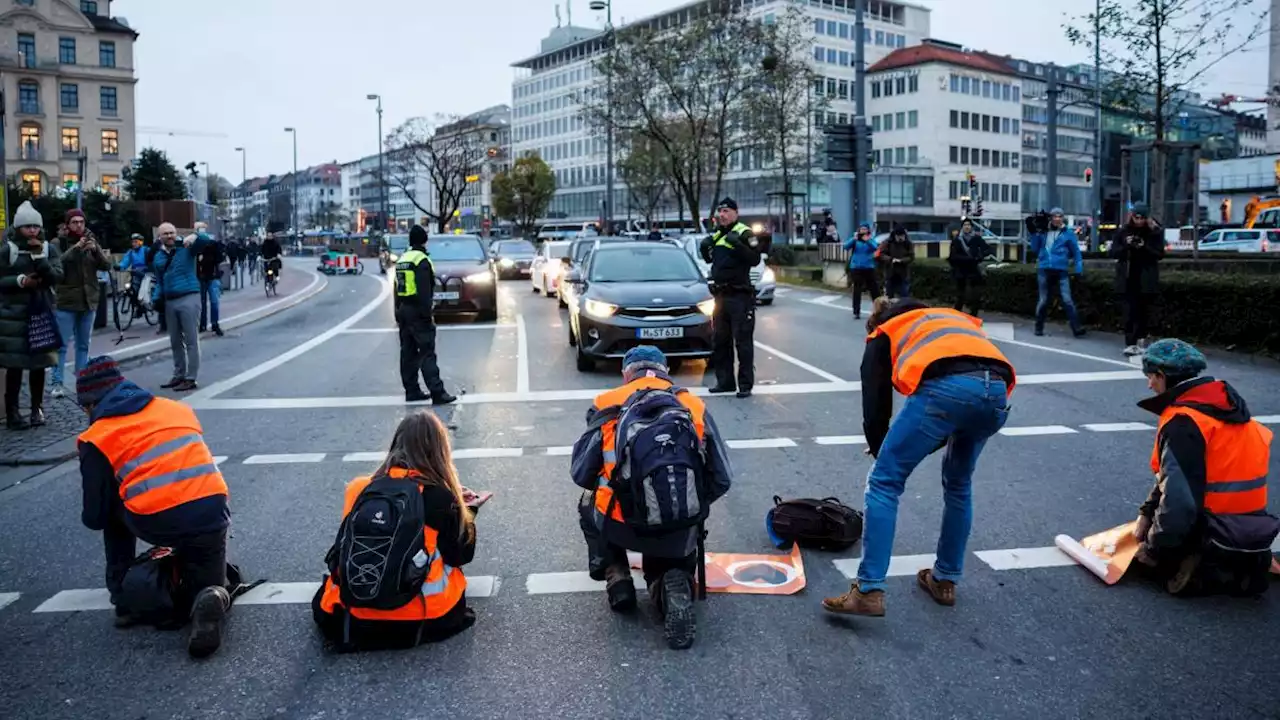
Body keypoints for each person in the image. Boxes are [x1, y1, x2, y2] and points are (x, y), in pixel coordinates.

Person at [823, 297, 1014, 617]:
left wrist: (880, 447)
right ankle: (945, 580)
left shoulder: (885, 331)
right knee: (959, 484)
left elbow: (876, 406)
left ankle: (868, 590)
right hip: (996, 389)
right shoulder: (947, 320)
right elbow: (951, 414)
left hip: (947, 391)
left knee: (884, 482)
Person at [571, 346, 733, 649]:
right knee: (671, 553)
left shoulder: (606, 404)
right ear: (665, 371)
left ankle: (616, 575)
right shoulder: (692, 405)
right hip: (679, 524)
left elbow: (581, 473)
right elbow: (722, 477)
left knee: (586, 502)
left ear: (625, 374)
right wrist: (694, 506)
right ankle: (671, 583)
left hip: (622, 523)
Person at [75, 355, 233, 657]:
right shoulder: (175, 409)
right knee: (206, 585)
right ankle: (210, 595)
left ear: (93, 404)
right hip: (213, 512)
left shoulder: (96, 437)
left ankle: (123, 596)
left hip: (159, 518)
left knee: (113, 511)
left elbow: (95, 517)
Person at [313, 411, 487, 651]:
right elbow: (460, 555)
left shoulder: (360, 489)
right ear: (439, 451)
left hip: (352, 617)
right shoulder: (439, 496)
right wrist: (467, 513)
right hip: (426, 617)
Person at [1131, 339, 1278, 596]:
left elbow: (1180, 501)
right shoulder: (1227, 411)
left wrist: (1153, 550)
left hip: (1211, 533)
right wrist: (1147, 512)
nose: (1149, 384)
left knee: (1150, 552)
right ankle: (1249, 564)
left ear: (1162, 376)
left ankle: (1199, 565)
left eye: (1150, 377)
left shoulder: (1183, 423)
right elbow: (1180, 478)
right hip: (1254, 530)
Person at [0, 201, 63, 429]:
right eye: (27, 227)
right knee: (14, 366)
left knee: (39, 364)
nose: (32, 231)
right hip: (13, 315)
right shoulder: (8, 250)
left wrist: (40, 259)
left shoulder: (48, 249)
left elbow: (56, 276)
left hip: (40, 312)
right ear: (18, 228)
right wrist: (20, 281)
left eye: (35, 227)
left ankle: (37, 409)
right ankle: (13, 413)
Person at [699, 197, 761, 398]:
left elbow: (755, 258)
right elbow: (711, 260)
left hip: (740, 296)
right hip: (721, 296)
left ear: (736, 213)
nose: (722, 215)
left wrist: (739, 245)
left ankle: (745, 385)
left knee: (742, 341)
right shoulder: (719, 235)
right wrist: (704, 248)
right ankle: (725, 382)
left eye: (726, 211)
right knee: (720, 340)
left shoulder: (745, 233)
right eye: (720, 212)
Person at [394, 225, 456, 405]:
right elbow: (424, 291)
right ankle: (437, 392)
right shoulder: (421, 260)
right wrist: (427, 314)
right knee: (427, 351)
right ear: (424, 240)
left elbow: (398, 288)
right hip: (417, 311)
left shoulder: (403, 258)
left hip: (404, 309)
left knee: (408, 352)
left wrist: (398, 311)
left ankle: (412, 390)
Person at [51, 209, 110, 396]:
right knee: (61, 345)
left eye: (81, 222)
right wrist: (76, 248)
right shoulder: (57, 243)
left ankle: (81, 381)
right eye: (74, 222)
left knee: (83, 345)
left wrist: (96, 250)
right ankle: (57, 383)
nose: (78, 225)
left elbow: (106, 265)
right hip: (66, 301)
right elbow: (57, 265)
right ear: (67, 224)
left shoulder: (91, 240)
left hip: (88, 300)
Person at [152, 223, 210, 392]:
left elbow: (206, 240)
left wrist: (195, 235)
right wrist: (156, 299)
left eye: (171, 233)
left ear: (176, 233)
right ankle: (179, 374)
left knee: (191, 340)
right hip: (170, 301)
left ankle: (191, 378)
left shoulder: (186, 247)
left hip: (188, 296)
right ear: (159, 237)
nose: (169, 236)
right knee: (175, 341)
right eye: (165, 234)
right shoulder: (158, 257)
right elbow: (159, 281)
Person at [1111, 203, 1165, 357]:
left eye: (1142, 217)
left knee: (1145, 311)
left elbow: (1159, 254)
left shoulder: (1155, 232)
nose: (1139, 220)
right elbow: (1114, 253)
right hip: (1128, 276)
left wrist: (1144, 246)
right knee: (1129, 311)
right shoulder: (1123, 232)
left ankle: (1142, 339)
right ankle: (1130, 342)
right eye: (1136, 217)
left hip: (1146, 277)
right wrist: (1127, 246)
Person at [1027, 207, 1085, 338]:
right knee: (1043, 300)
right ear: (1051, 218)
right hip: (1044, 268)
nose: (1057, 219)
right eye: (1055, 216)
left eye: (1060, 216)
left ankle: (1077, 328)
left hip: (1061, 270)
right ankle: (1038, 327)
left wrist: (1079, 268)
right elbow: (1035, 248)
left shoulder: (1068, 233)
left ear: (1063, 218)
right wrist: (1034, 233)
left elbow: (1076, 252)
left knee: (1067, 299)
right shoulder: (1043, 231)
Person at [948, 218, 993, 318]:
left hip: (973, 270)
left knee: (975, 296)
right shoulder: (957, 240)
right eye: (965, 225)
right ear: (962, 227)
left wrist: (980, 256)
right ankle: (956, 316)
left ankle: (973, 316)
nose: (967, 227)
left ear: (972, 227)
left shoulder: (976, 238)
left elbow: (988, 249)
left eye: (969, 225)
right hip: (961, 271)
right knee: (960, 296)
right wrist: (967, 259)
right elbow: (953, 256)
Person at [842, 222, 879, 319]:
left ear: (868, 230)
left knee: (874, 289)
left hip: (869, 267)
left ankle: (879, 310)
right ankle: (856, 311)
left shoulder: (870, 239)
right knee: (857, 289)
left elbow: (875, 248)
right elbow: (845, 247)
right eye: (861, 229)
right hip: (856, 267)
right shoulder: (856, 239)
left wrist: (868, 241)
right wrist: (853, 239)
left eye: (865, 229)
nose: (863, 231)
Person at [195, 224, 225, 337]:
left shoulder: (213, 244)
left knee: (214, 301)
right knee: (202, 303)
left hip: (211, 276)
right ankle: (203, 325)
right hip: (201, 277)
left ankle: (214, 324)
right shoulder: (195, 246)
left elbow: (219, 258)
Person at [876, 225, 913, 299]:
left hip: (903, 273)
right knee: (889, 295)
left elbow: (911, 256)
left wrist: (901, 260)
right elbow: (881, 254)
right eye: (898, 236)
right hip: (890, 272)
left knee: (904, 295)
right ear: (895, 235)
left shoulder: (907, 243)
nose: (900, 238)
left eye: (902, 236)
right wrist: (890, 259)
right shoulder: (888, 243)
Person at [117, 234, 149, 303]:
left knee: (145, 291)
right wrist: (120, 266)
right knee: (132, 289)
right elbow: (125, 261)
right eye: (133, 242)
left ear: (141, 242)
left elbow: (152, 261)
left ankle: (146, 304)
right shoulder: (131, 252)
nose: (134, 244)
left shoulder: (146, 250)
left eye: (136, 242)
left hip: (146, 274)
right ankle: (135, 304)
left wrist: (148, 268)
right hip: (135, 274)